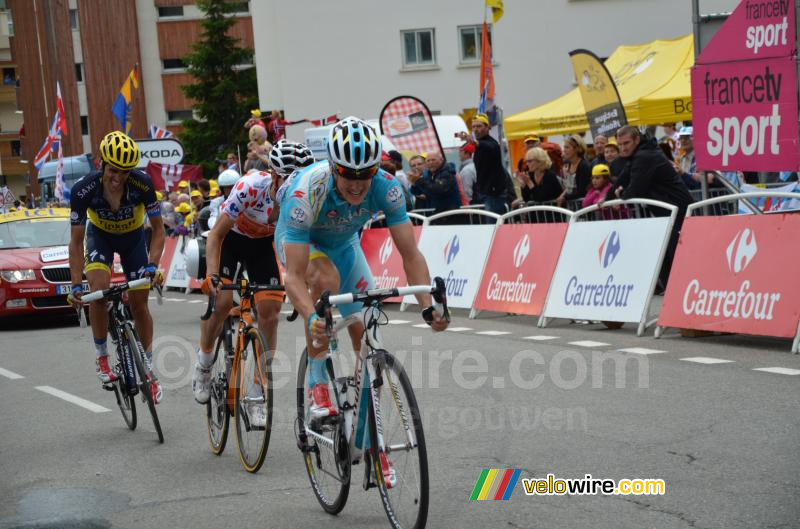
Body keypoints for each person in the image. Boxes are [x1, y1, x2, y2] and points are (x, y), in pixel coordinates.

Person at [275, 118, 448, 480]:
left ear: (376, 169)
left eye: (364, 175)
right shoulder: (306, 191)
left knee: (369, 337)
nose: (356, 185)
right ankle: (319, 386)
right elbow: (292, 276)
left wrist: (428, 307)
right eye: (348, 175)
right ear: (333, 167)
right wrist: (310, 316)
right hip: (304, 245)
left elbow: (410, 254)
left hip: (345, 244)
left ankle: (371, 439)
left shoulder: (388, 188)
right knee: (324, 281)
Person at [67, 131, 165, 403]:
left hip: (133, 241)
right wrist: (76, 284)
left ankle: (148, 367)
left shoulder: (142, 184)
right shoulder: (83, 189)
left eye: (124, 172)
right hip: (101, 238)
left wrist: (153, 265)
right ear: (101, 164)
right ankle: (102, 359)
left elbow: (158, 231)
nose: (117, 177)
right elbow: (75, 243)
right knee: (98, 293)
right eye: (113, 170)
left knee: (140, 303)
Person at [192, 168, 284, 425]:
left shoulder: (301, 196)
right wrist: (212, 276)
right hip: (230, 239)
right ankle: (205, 361)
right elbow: (216, 236)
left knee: (271, 312)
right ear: (275, 178)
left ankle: (257, 393)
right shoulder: (251, 187)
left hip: (262, 247)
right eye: (285, 180)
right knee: (221, 303)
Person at [611, 125, 693, 291]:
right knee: (663, 256)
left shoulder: (645, 156)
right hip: (666, 213)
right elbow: (623, 179)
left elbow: (635, 189)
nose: (622, 148)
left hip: (679, 211)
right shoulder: (636, 156)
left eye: (626, 143)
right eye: (619, 144)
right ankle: (673, 292)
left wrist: (620, 196)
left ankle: (682, 291)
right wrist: (606, 198)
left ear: (636, 140)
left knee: (676, 255)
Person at [456, 113, 507, 216]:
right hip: (484, 192)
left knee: (494, 224)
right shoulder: (479, 144)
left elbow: (489, 147)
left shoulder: (491, 143)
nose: (475, 129)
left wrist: (473, 142)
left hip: (494, 193)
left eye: (479, 126)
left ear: (488, 127)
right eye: (474, 126)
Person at [409, 151, 461, 217]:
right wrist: (414, 183)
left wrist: (419, 180)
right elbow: (418, 192)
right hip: (435, 214)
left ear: (441, 160)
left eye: (433, 160)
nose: (431, 162)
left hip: (450, 214)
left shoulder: (447, 172)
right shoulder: (428, 174)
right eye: (428, 160)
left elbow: (437, 189)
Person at [557, 134, 590, 208]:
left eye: (567, 147)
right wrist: (562, 196)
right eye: (564, 147)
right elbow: (569, 187)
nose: (564, 150)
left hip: (582, 208)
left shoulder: (583, 166)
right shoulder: (568, 164)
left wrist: (565, 198)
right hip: (571, 207)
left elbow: (582, 191)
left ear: (577, 149)